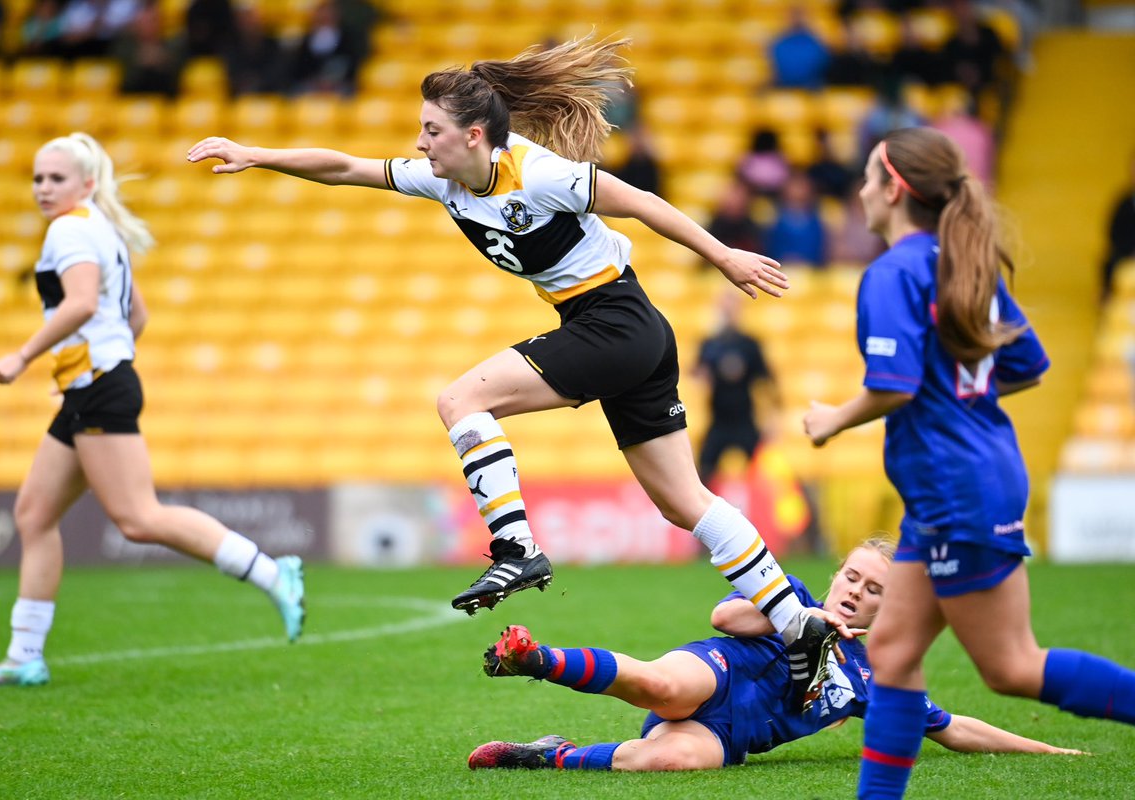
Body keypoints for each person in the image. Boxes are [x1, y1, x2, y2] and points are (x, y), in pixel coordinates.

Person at [187, 36, 846, 696]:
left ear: (474, 136)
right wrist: (256, 155)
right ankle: (797, 626)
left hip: (614, 321)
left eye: (431, 130)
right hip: (625, 329)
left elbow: (642, 200)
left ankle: (517, 550)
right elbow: (344, 167)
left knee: (460, 401)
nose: (419, 144)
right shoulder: (444, 180)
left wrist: (724, 256)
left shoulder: (540, 174)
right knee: (685, 503)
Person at [800, 126, 1135, 799]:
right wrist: (956, 394)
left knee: (1010, 666)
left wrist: (832, 418)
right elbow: (1025, 365)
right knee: (892, 656)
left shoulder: (893, 271)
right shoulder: (962, 262)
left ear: (893, 187)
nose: (860, 189)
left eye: (868, 175)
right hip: (960, 481)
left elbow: (893, 384)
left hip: (956, 486)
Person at [0, 132, 305, 690]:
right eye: (37, 178)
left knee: (138, 518)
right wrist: (93, 369)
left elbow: (79, 303)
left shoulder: (70, 229)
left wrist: (24, 356)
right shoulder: (100, 229)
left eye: (56, 178)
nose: (43, 188)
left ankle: (274, 573)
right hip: (95, 385)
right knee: (33, 514)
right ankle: (24, 654)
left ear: (87, 184)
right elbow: (135, 315)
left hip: (99, 387)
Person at [468, 538, 1082, 771]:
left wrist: (1049, 748)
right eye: (853, 577)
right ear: (838, 574)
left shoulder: (874, 676)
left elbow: (952, 729)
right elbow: (724, 616)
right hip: (715, 674)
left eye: (874, 591)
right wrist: (799, 617)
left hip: (733, 738)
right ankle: (535, 658)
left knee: (676, 761)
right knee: (665, 688)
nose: (855, 592)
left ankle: (546, 755)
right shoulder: (795, 597)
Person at [693, 291, 775, 487]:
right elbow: (697, 376)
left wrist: (772, 419)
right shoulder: (710, 344)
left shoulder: (750, 344)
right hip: (718, 420)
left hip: (745, 419)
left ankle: (768, 515)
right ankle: (699, 516)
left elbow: (767, 382)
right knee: (703, 471)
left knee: (764, 474)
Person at [1101, 151, 1135, 300]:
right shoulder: (1124, 203)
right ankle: (1109, 298)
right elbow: (1114, 234)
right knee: (1111, 262)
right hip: (1127, 255)